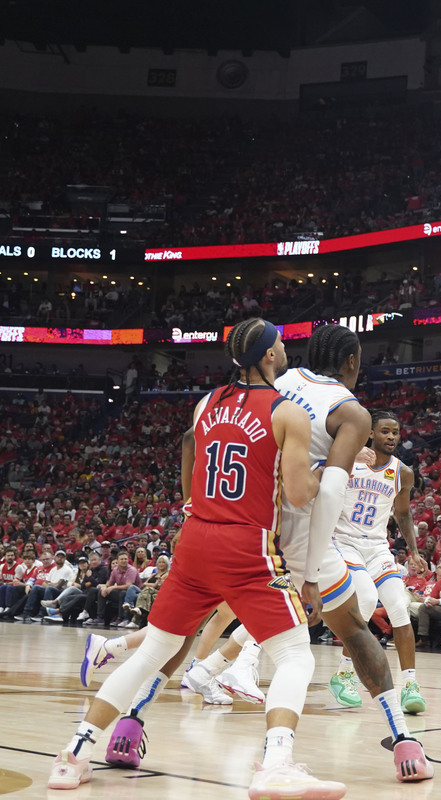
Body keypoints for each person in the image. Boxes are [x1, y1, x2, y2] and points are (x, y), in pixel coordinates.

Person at [47, 317, 348, 798]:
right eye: (280, 344)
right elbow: (297, 493)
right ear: (270, 355)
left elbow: (196, 455)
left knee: (152, 653)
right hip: (245, 543)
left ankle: (73, 755)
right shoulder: (287, 411)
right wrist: (329, 470)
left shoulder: (205, 403)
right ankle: (276, 764)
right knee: (295, 655)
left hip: (195, 538)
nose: (285, 350)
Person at [195, 323, 432, 781]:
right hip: (307, 542)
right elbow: (329, 494)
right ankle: (402, 740)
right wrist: (310, 573)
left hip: (250, 530)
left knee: (181, 628)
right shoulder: (350, 411)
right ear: (351, 361)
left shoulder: (276, 383)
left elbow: (200, 440)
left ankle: (166, 692)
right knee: (347, 631)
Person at [323, 409, 428, 714]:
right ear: (370, 433)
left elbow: (403, 513)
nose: (391, 436)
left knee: (399, 606)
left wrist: (413, 550)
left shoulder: (403, 472)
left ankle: (410, 685)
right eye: (385, 431)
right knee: (367, 599)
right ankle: (343, 674)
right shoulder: (350, 459)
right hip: (344, 541)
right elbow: (320, 473)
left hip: (377, 546)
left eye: (395, 432)